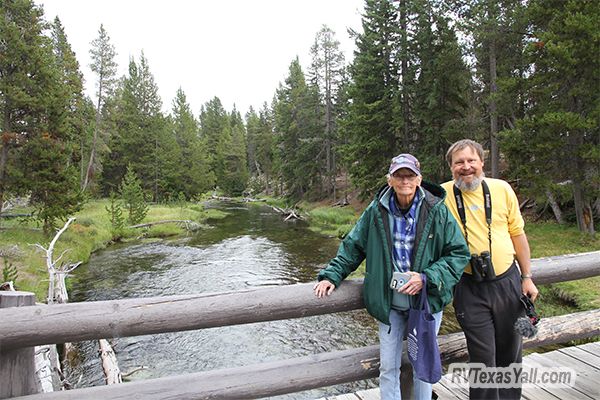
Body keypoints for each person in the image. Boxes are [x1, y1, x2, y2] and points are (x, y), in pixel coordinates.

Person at [314, 153, 470, 400]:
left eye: (410, 175)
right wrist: (331, 275)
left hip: (425, 302)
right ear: (390, 180)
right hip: (389, 305)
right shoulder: (376, 211)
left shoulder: (436, 211)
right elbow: (353, 246)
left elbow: (459, 254)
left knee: (422, 367)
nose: (404, 180)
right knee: (388, 368)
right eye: (399, 175)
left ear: (419, 179)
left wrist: (426, 277)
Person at [442, 139, 539, 400]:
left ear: (482, 162)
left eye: (471, 160)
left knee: (511, 351)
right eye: (459, 162)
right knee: (482, 357)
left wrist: (527, 277)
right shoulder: (440, 196)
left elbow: (518, 234)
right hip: (468, 286)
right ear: (451, 168)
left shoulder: (501, 189)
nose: (466, 167)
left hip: (508, 282)